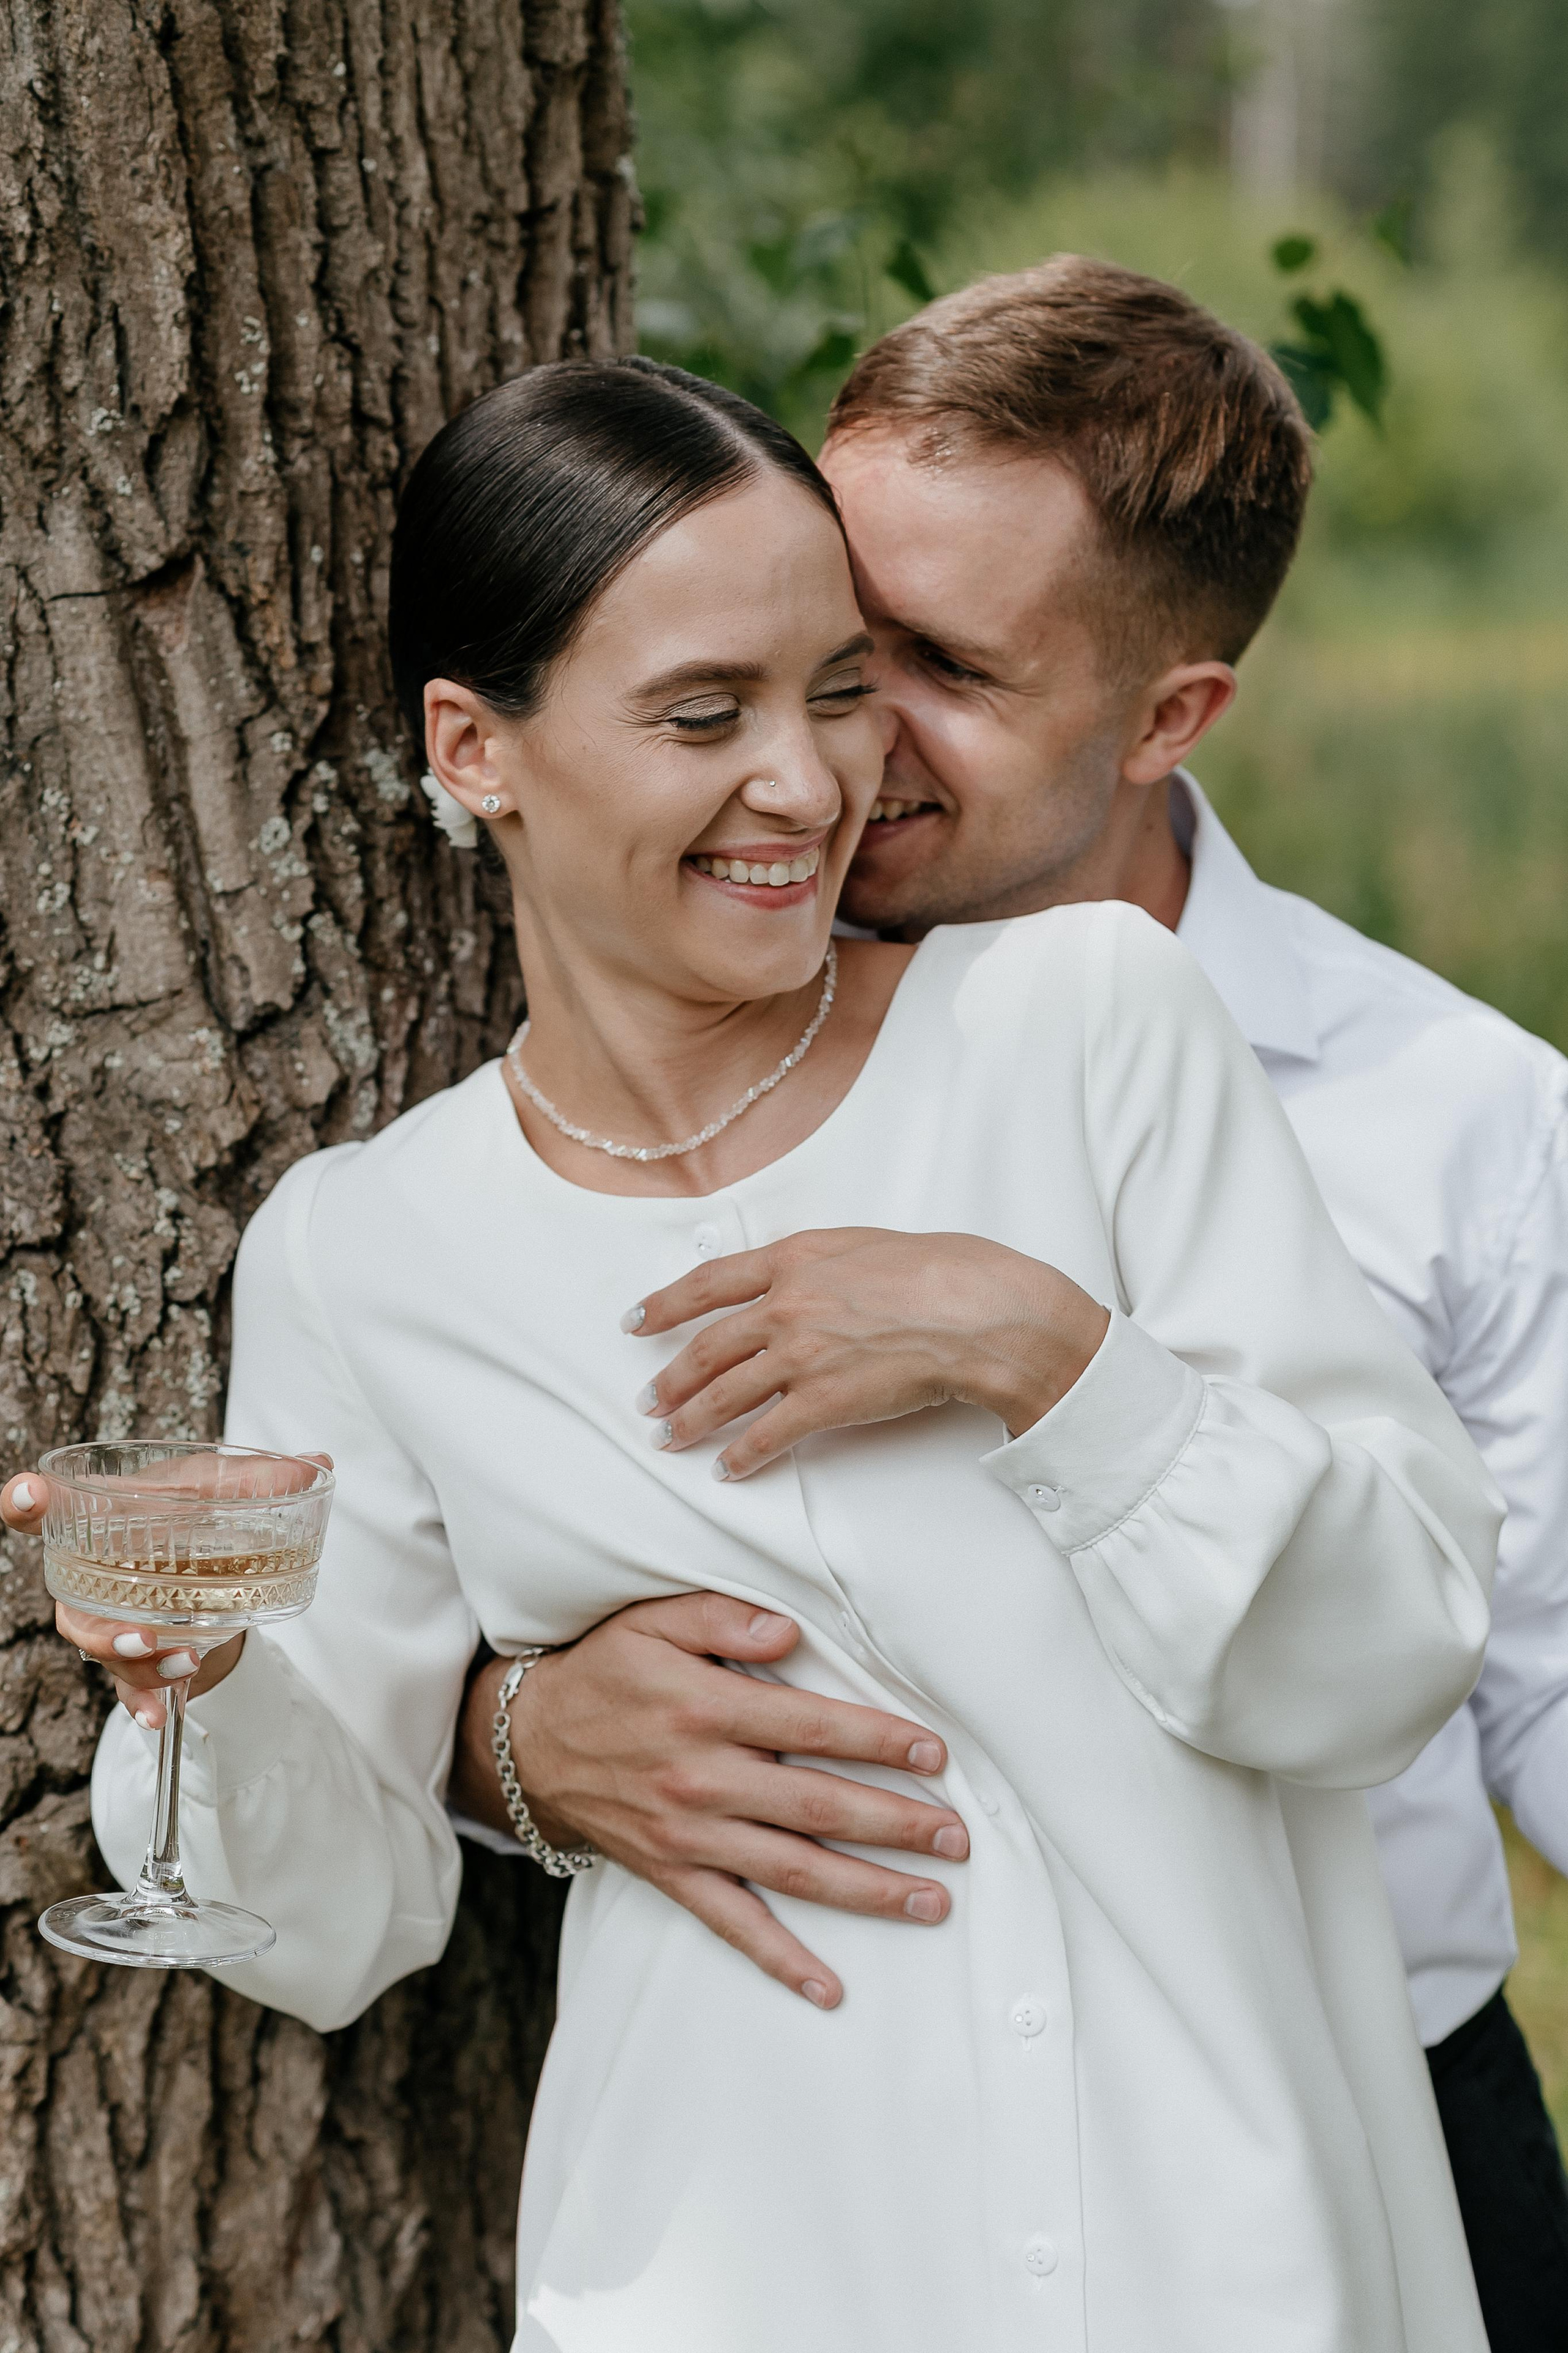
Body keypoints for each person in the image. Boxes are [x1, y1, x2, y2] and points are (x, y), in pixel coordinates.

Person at [12, 353, 1498, 2351]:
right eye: (704, 714)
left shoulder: (1085, 1029)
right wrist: (203, 1689)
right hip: (732, 2273)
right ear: (477, 747)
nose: (812, 784)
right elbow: (340, 1914)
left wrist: (1042, 1349)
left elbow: (1388, 1644)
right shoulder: (371, 1252)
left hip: (1217, 2250)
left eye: (838, 688)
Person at [445, 263, 1568, 2346]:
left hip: (1337, 2145)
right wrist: (496, 1735)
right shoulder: (588, 1065)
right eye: (815, 638)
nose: (829, 743)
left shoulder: (1466, 1122)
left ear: (1171, 716)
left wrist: (1053, 1352)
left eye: (936, 668)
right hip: (820, 2186)